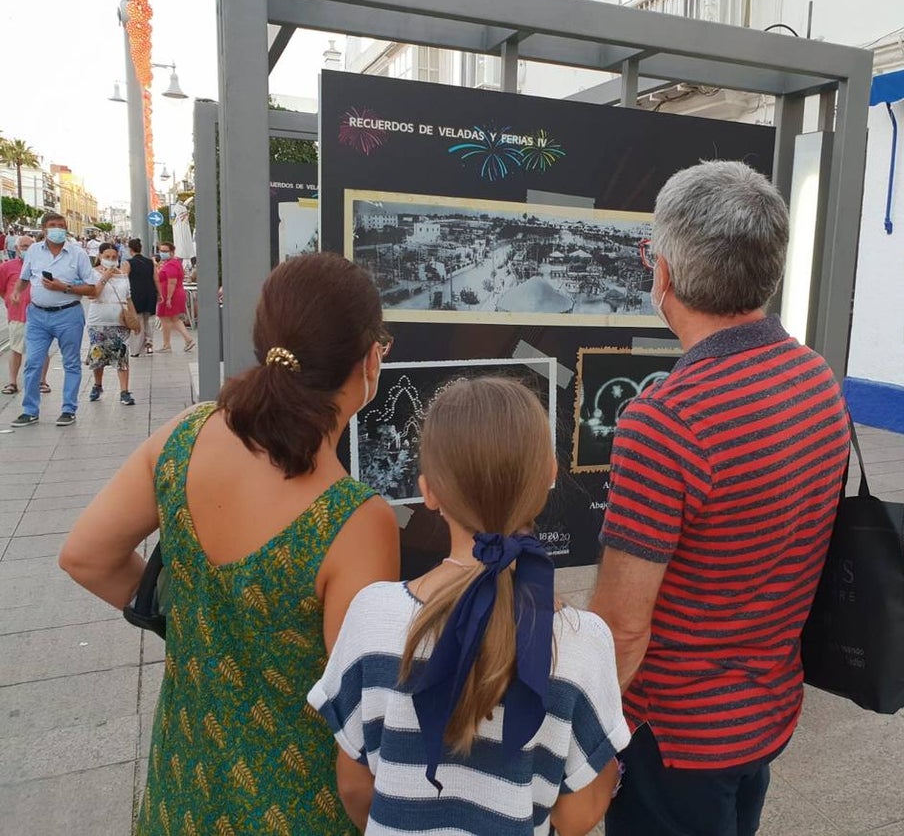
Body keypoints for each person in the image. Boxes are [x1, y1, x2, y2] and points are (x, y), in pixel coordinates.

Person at [58, 253, 400, 835]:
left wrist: (191, 623)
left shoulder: (186, 434)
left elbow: (85, 555)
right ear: (370, 359)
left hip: (182, 786)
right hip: (301, 807)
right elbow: (361, 717)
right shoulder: (355, 521)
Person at [588, 161, 851, 836]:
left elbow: (622, 626)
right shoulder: (816, 379)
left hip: (673, 737)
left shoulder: (666, 421)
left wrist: (583, 737)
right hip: (765, 711)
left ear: (665, 274)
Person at [310, 377, 628, 835]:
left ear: (429, 491)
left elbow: (355, 787)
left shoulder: (371, 616)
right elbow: (577, 816)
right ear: (549, 478)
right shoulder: (583, 642)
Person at [10, 213, 110, 428]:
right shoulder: (34, 251)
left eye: (61, 226)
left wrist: (63, 287)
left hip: (68, 314)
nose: (58, 229)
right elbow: (24, 278)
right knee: (32, 363)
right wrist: (17, 292)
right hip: (37, 315)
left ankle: (68, 409)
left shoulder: (78, 253)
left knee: (71, 362)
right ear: (44, 229)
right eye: (53, 225)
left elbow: (92, 288)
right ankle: (29, 410)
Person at [85, 243, 136, 406]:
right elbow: (93, 295)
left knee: (121, 355)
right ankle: (97, 385)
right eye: (107, 257)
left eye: (114, 257)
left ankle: (124, 391)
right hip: (98, 321)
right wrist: (105, 276)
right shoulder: (92, 274)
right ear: (100, 257)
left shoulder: (123, 275)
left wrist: (133, 319)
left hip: (119, 322)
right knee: (98, 355)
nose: (111, 260)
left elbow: (128, 298)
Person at [0, 235, 51, 396]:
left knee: (42, 351)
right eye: (23, 246)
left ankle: (42, 381)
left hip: (41, 315)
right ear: (16, 248)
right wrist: (11, 300)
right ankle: (13, 382)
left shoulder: (43, 265)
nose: (26, 249)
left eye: (29, 246)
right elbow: (2, 289)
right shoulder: (7, 267)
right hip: (18, 315)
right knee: (16, 349)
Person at [156, 241, 194, 352]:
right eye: (161, 251)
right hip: (174, 294)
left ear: (172, 252)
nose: (162, 253)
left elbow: (172, 282)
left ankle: (167, 344)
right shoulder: (173, 263)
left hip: (170, 295)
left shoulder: (171, 264)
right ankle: (188, 339)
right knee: (174, 319)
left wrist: (168, 298)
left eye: (165, 251)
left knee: (165, 319)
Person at [126, 238, 158, 356]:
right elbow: (156, 279)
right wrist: (159, 293)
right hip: (150, 293)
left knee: (137, 320)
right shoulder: (150, 262)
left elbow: (124, 279)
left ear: (130, 250)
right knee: (148, 321)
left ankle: (136, 350)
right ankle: (149, 345)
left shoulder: (128, 263)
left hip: (136, 294)